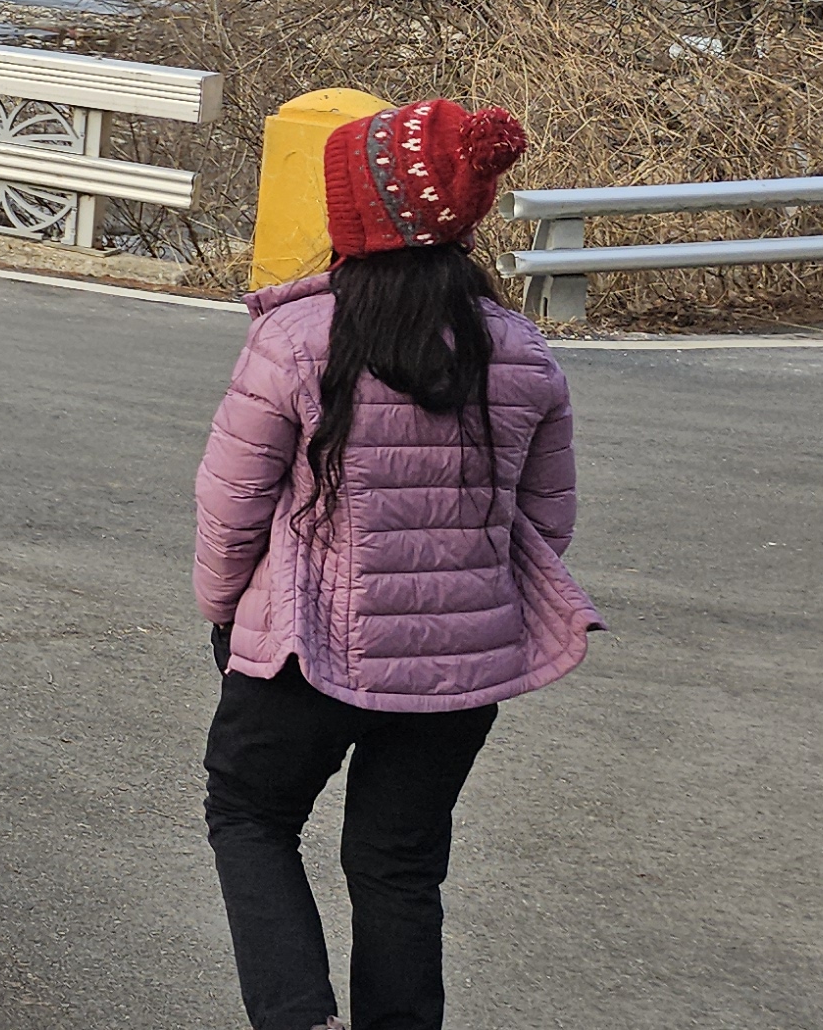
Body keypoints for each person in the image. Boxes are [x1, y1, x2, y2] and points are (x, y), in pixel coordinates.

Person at [194, 98, 598, 1030]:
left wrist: (224, 614)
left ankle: (298, 1019)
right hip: (460, 667)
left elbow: (231, 507)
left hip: (305, 650)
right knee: (399, 864)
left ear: (353, 216)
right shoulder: (520, 349)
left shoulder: (296, 339)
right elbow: (547, 521)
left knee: (249, 815)